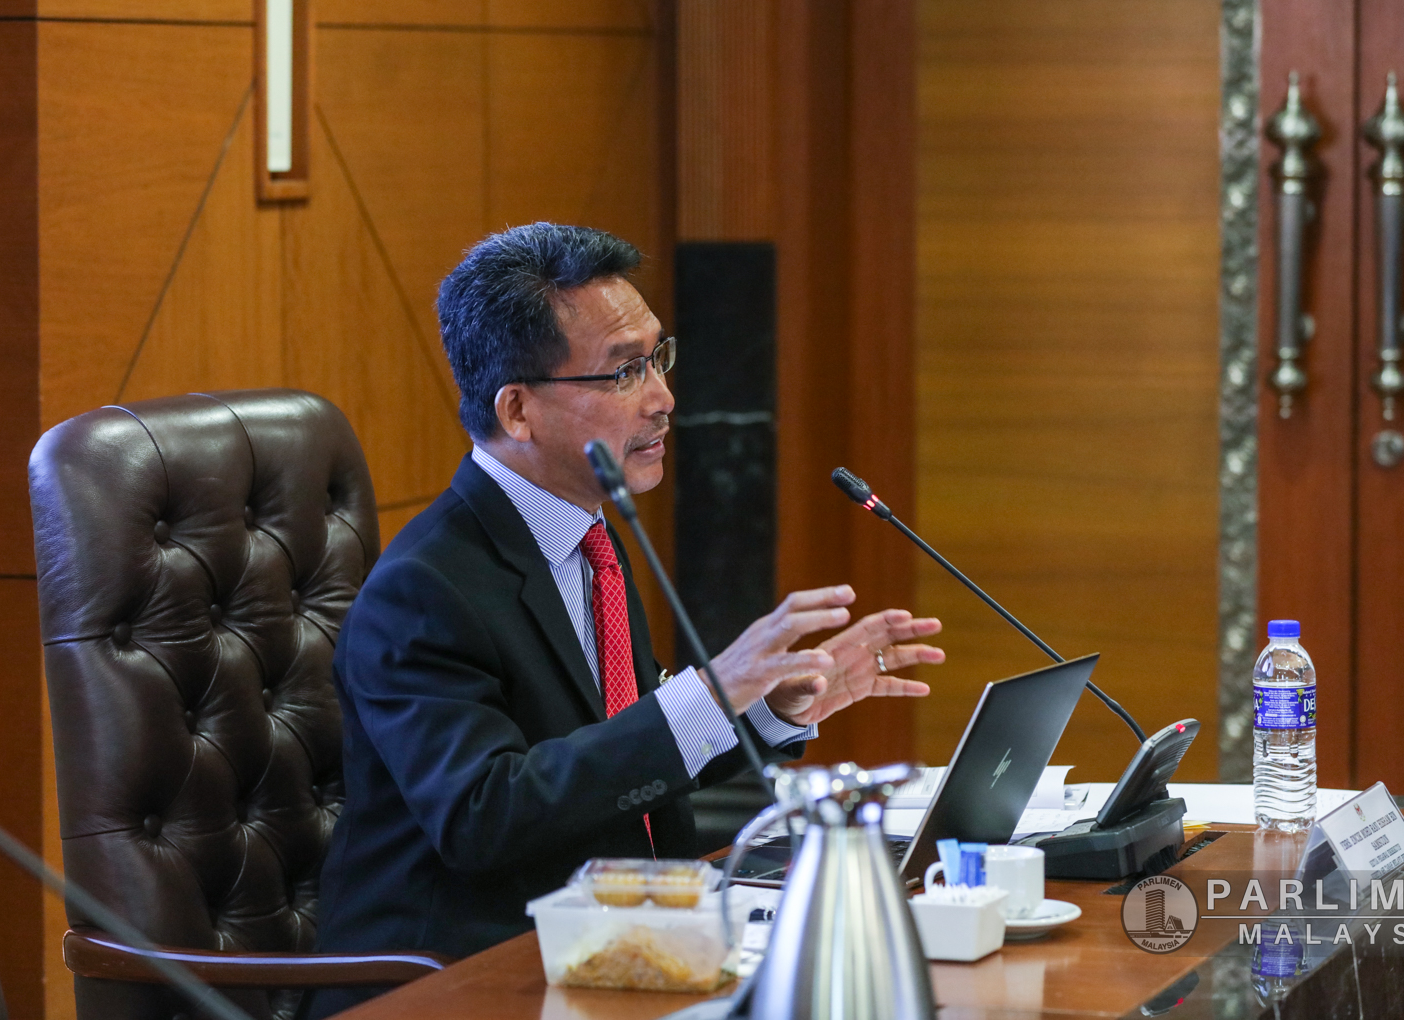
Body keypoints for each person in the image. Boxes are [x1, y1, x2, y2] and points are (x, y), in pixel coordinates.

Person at [305, 223, 944, 1016]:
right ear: (518, 410)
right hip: (454, 980)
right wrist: (712, 692)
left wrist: (770, 706)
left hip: (611, 952)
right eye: (623, 372)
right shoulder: (423, 590)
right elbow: (484, 816)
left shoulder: (589, 539)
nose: (663, 397)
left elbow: (617, 759)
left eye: (658, 357)